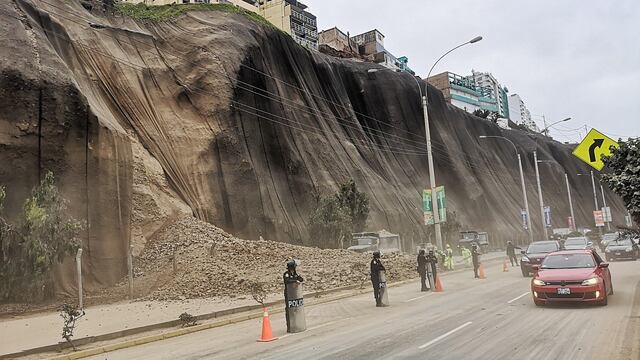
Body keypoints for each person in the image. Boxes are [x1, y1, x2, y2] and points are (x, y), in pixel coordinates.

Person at [283, 260, 304, 332]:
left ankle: (296, 324)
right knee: (290, 310)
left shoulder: (295, 274)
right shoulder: (286, 274)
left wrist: (299, 278)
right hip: (289, 294)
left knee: (296, 309)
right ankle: (290, 326)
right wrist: (295, 281)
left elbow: (301, 279)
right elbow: (287, 281)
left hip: (295, 294)